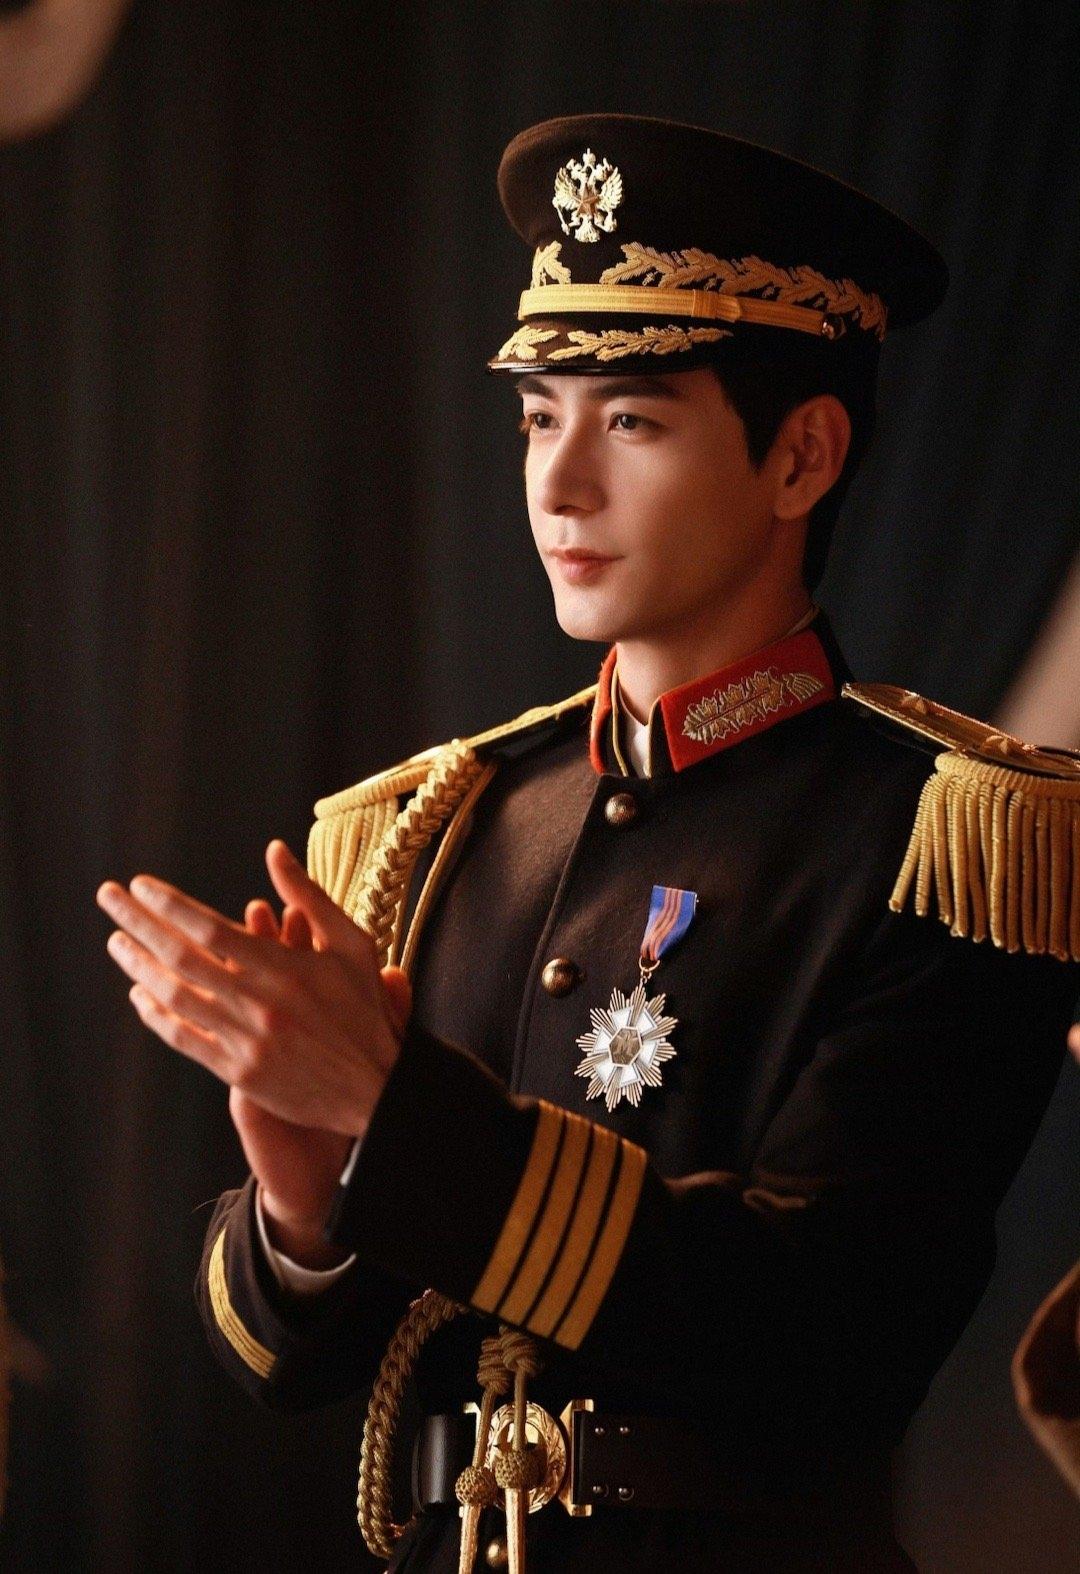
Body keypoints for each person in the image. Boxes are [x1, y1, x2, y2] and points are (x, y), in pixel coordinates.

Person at [96, 115, 1080, 1572]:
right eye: (537, 418)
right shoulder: (438, 822)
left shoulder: (953, 840)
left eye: (631, 422)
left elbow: (832, 1333)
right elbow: (281, 1367)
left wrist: (393, 1111)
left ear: (803, 455)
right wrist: (305, 1203)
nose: (558, 485)